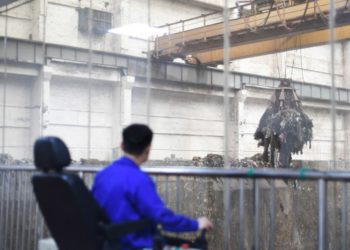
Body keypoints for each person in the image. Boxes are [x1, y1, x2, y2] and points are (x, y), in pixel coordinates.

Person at [92, 124, 213, 249]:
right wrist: (196, 224)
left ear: (122, 146)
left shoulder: (101, 176)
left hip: (108, 243)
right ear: (148, 149)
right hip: (137, 244)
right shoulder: (140, 180)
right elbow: (162, 217)